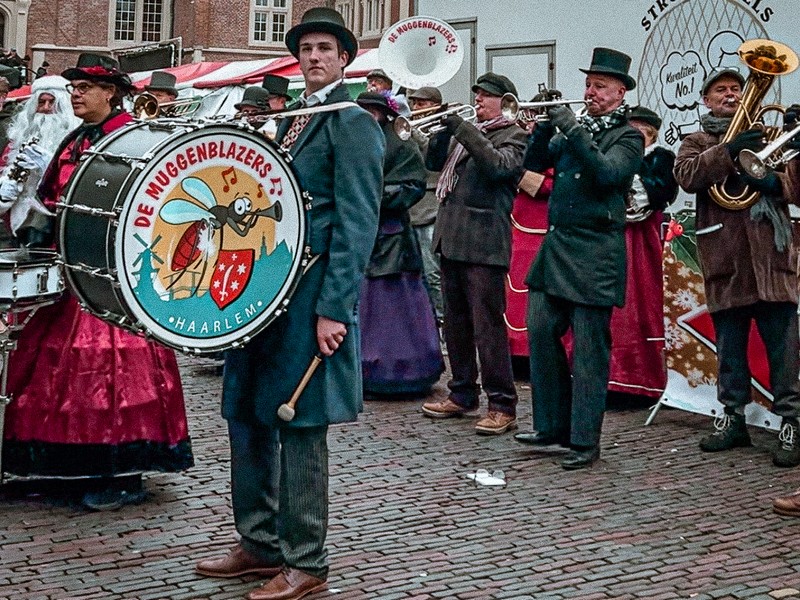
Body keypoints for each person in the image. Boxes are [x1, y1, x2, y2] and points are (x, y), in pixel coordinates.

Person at [194, 8, 384, 600]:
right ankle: (258, 543)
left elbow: (357, 223)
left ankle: (306, 561)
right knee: (247, 410)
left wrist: (336, 309)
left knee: (300, 425)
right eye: (306, 48)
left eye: (325, 48)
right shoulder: (296, 120)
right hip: (262, 295)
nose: (313, 57)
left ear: (345, 58)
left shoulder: (350, 122)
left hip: (310, 297)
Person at [1, 53, 193, 510]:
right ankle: (57, 466)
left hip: (115, 277)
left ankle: (121, 472)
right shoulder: (73, 140)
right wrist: (35, 226)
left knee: (115, 371)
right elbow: (51, 197)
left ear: (111, 91)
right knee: (47, 366)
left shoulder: (135, 137)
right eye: (74, 88)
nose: (77, 94)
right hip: (67, 269)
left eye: (85, 87)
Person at [515, 47, 644, 469]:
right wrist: (541, 127)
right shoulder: (577, 129)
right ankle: (551, 426)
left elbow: (609, 174)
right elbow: (534, 163)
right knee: (539, 331)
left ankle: (585, 440)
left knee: (589, 349)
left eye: (600, 87)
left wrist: (573, 129)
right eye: (588, 84)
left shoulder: (627, 136)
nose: (590, 92)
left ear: (620, 93)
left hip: (595, 251)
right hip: (558, 247)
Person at [674, 68, 800, 467]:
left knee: (784, 350)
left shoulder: (770, 136)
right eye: (720, 91)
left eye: (736, 89)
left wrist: (780, 165)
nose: (730, 95)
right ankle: (732, 419)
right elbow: (688, 177)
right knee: (729, 348)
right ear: (706, 100)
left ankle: (792, 423)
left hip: (770, 260)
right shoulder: (696, 141)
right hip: (725, 258)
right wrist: (729, 151)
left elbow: (796, 189)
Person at [419, 72, 526, 435]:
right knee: (457, 324)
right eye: (476, 95)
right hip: (451, 239)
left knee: (488, 327)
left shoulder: (513, 134)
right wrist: (442, 132)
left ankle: (502, 403)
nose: (478, 101)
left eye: (486, 96)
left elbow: (499, 168)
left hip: (483, 243)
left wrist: (465, 130)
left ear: (505, 101)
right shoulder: (466, 137)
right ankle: (462, 392)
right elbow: (434, 163)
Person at [355, 91, 443, 397]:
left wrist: (376, 197)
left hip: (392, 236)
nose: (368, 117)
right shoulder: (355, 143)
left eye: (373, 112)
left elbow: (414, 186)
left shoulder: (401, 144)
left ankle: (401, 370)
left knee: (394, 306)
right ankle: (362, 368)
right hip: (362, 235)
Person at [607, 105, 678, 398]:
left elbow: (663, 191)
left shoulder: (662, 159)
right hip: (612, 235)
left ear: (652, 134)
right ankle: (611, 378)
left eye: (641, 133)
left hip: (643, 240)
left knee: (643, 301)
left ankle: (642, 377)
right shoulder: (614, 154)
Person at [0, 75, 80, 248]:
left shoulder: (78, 143)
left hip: (56, 231)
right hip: (16, 230)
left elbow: (79, 188)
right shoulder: (17, 140)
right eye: (41, 102)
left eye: (52, 103)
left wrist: (50, 169)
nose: (45, 108)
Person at [407, 86, 445, 323]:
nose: (415, 108)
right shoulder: (410, 129)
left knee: (433, 272)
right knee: (417, 272)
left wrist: (412, 132)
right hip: (413, 208)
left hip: (431, 208)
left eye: (421, 104)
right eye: (414, 103)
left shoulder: (442, 129)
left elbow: (435, 158)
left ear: (434, 105)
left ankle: (442, 319)